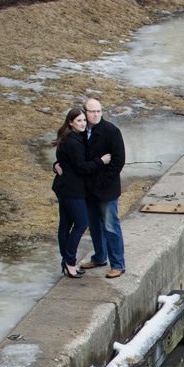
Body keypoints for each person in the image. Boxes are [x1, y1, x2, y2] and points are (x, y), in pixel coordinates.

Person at [51, 108, 109, 279]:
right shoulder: (73, 142)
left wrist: (56, 165)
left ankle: (66, 262)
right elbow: (81, 167)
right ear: (70, 122)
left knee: (65, 225)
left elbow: (63, 160)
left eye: (84, 120)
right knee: (81, 223)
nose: (83, 123)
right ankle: (70, 262)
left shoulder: (73, 137)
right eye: (79, 121)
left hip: (65, 187)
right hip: (71, 189)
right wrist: (101, 161)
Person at [81, 96, 127, 278]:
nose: (96, 114)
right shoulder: (81, 130)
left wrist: (103, 181)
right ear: (85, 112)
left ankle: (118, 263)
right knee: (94, 225)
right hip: (87, 188)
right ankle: (99, 257)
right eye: (92, 111)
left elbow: (118, 161)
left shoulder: (111, 131)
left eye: (99, 111)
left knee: (110, 226)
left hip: (106, 188)